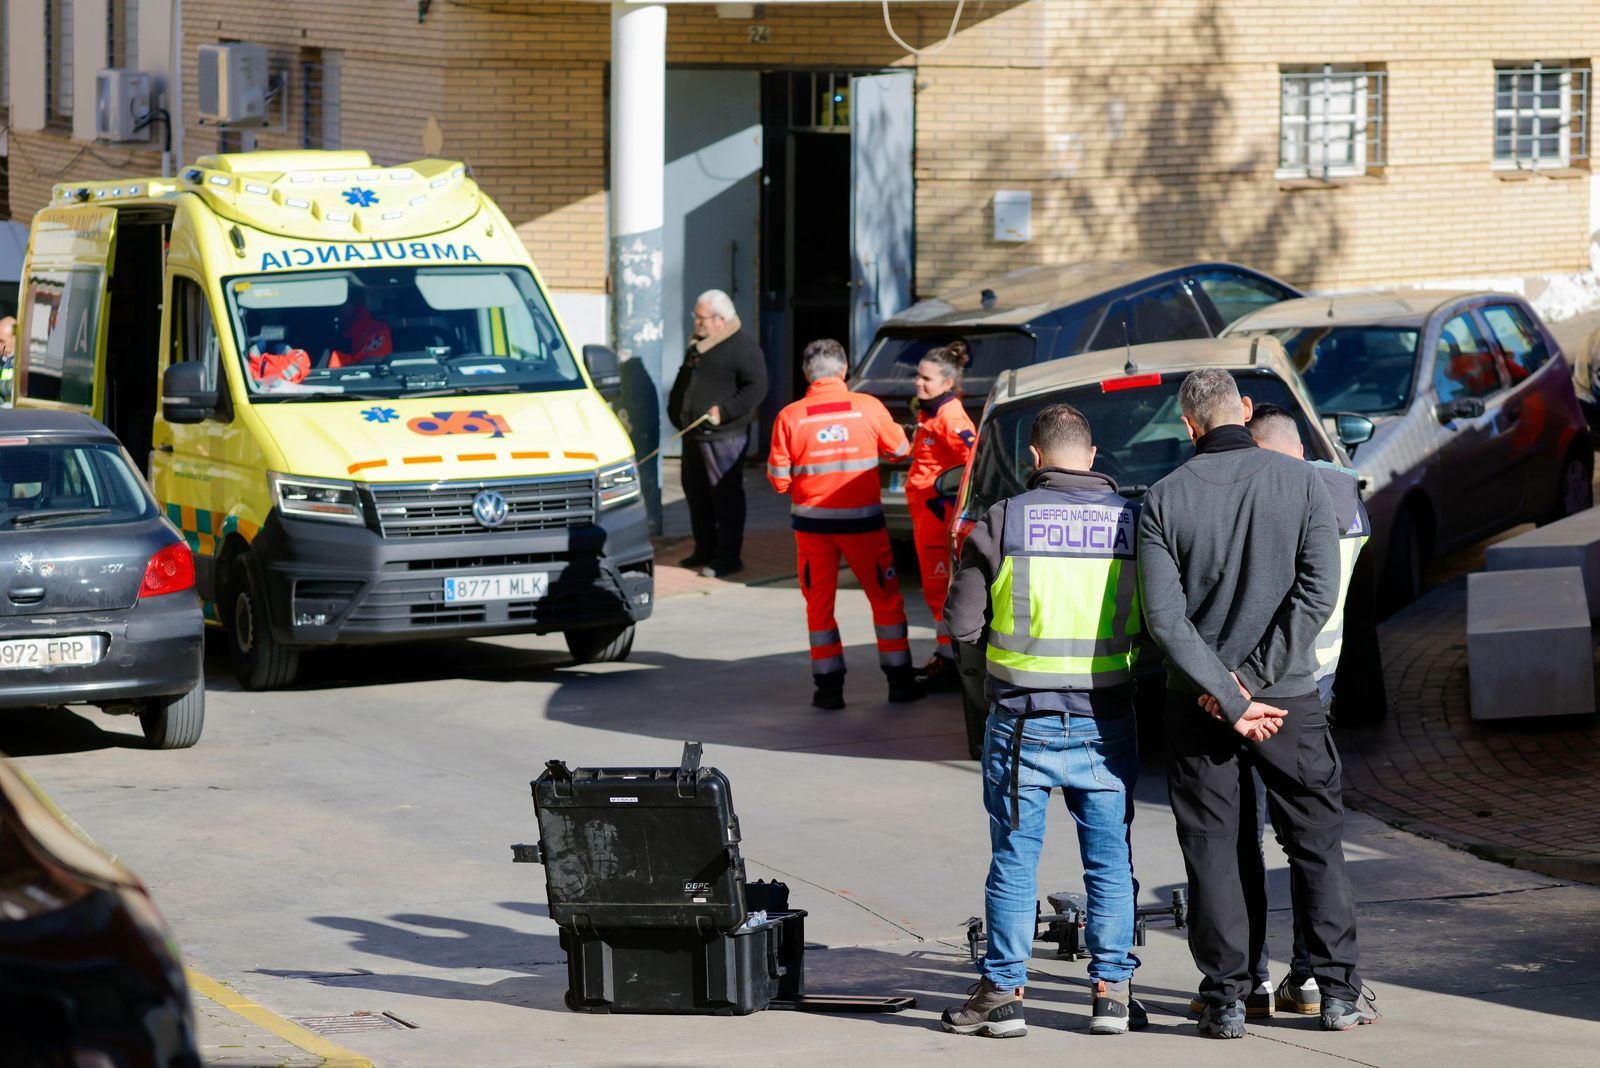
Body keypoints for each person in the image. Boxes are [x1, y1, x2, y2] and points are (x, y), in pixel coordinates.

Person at [1137, 369, 1375, 1039]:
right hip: (1290, 699)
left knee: (1215, 847)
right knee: (1315, 842)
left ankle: (1228, 997)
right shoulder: (1303, 482)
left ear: (1189, 425)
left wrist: (1226, 691)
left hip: (1200, 706)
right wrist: (1255, 681)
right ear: (1243, 410)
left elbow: (1166, 619)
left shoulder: (1163, 498)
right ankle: (1334, 992)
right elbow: (1317, 594)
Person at [939, 403, 1147, 1039]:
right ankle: (1111, 991)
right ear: (1091, 455)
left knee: (1014, 858)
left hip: (1022, 721)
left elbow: (963, 624)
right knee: (1109, 861)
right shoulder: (1133, 523)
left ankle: (1003, 994)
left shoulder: (1003, 520)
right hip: (1106, 718)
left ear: (1034, 457)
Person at [767, 339, 921, 709]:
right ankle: (899, 681)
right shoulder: (868, 408)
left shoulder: (790, 417)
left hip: (812, 526)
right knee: (884, 600)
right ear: (844, 369)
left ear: (807, 374)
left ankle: (828, 689)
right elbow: (901, 451)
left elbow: (778, 479)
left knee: (818, 605)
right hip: (863, 525)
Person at [668, 289, 769, 578]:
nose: (696, 323)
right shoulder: (699, 346)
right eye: (696, 317)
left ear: (720, 320)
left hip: (724, 437)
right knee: (697, 495)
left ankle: (728, 556)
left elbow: (756, 388)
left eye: (700, 318)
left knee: (724, 497)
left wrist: (723, 412)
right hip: (694, 436)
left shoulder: (743, 348)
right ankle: (704, 549)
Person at [904, 341, 977, 692]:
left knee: (940, 593)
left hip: (937, 519)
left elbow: (972, 460)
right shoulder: (931, 412)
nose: (919, 383)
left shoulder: (950, 416)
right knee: (934, 593)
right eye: (918, 376)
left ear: (948, 383)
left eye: (927, 378)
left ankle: (950, 663)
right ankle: (944, 656)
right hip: (926, 518)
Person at [328, 296, 394, 367]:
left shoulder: (378, 331)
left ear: (355, 305)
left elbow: (374, 366)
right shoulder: (341, 336)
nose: (338, 314)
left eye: (342, 307)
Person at [0, 316, 17, 406]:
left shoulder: (21, 363)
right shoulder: (3, 359)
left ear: (14, 339)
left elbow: (14, 388)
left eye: (1, 341)